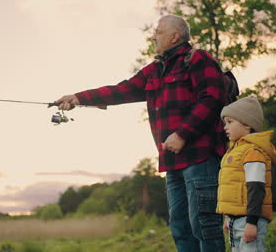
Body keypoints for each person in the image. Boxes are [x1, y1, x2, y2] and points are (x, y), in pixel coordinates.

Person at [56, 15, 227, 252]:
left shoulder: (198, 59)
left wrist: (182, 134)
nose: (153, 35)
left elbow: (212, 99)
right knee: (180, 228)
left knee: (204, 227)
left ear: (175, 36)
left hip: (200, 160)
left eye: (158, 31)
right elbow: (120, 91)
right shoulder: (154, 70)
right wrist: (78, 98)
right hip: (172, 163)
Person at [216, 96, 276, 251]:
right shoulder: (235, 151)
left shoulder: (253, 152)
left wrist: (252, 222)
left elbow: (256, 188)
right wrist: (228, 217)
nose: (225, 127)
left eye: (230, 122)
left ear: (247, 125)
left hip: (249, 221)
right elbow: (233, 188)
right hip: (235, 221)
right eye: (225, 123)